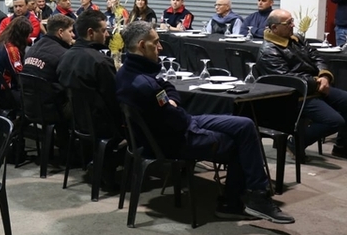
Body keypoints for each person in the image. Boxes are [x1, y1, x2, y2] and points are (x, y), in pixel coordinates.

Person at [116, 21, 295, 223]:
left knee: (244, 124)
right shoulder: (143, 83)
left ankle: (253, 194)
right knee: (241, 141)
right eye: (156, 42)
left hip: (179, 125)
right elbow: (176, 119)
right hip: (173, 140)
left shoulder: (130, 72)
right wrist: (175, 108)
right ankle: (241, 201)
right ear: (141, 45)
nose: (161, 47)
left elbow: (168, 87)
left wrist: (172, 101)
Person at [256, 9, 347, 159]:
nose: (293, 25)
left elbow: (317, 57)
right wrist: (317, 82)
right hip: (296, 95)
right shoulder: (268, 51)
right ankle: (295, 142)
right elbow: (288, 79)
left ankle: (341, 147)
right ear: (274, 28)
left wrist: (324, 75)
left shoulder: (297, 38)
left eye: (292, 20)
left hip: (314, 86)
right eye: (288, 23)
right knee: (335, 121)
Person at [56, 10, 122, 139]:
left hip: (74, 122)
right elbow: (114, 100)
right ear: (91, 33)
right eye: (103, 31)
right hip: (101, 127)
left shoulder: (65, 56)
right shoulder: (101, 62)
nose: (107, 34)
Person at [0, 17, 32, 110]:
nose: (28, 38)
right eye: (27, 35)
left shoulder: (0, 42)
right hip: (4, 94)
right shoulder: (11, 50)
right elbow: (19, 74)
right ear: (22, 35)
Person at [24, 14, 74, 96]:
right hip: (51, 104)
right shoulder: (64, 55)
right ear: (60, 32)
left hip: (28, 102)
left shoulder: (32, 48)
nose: (73, 35)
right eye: (70, 31)